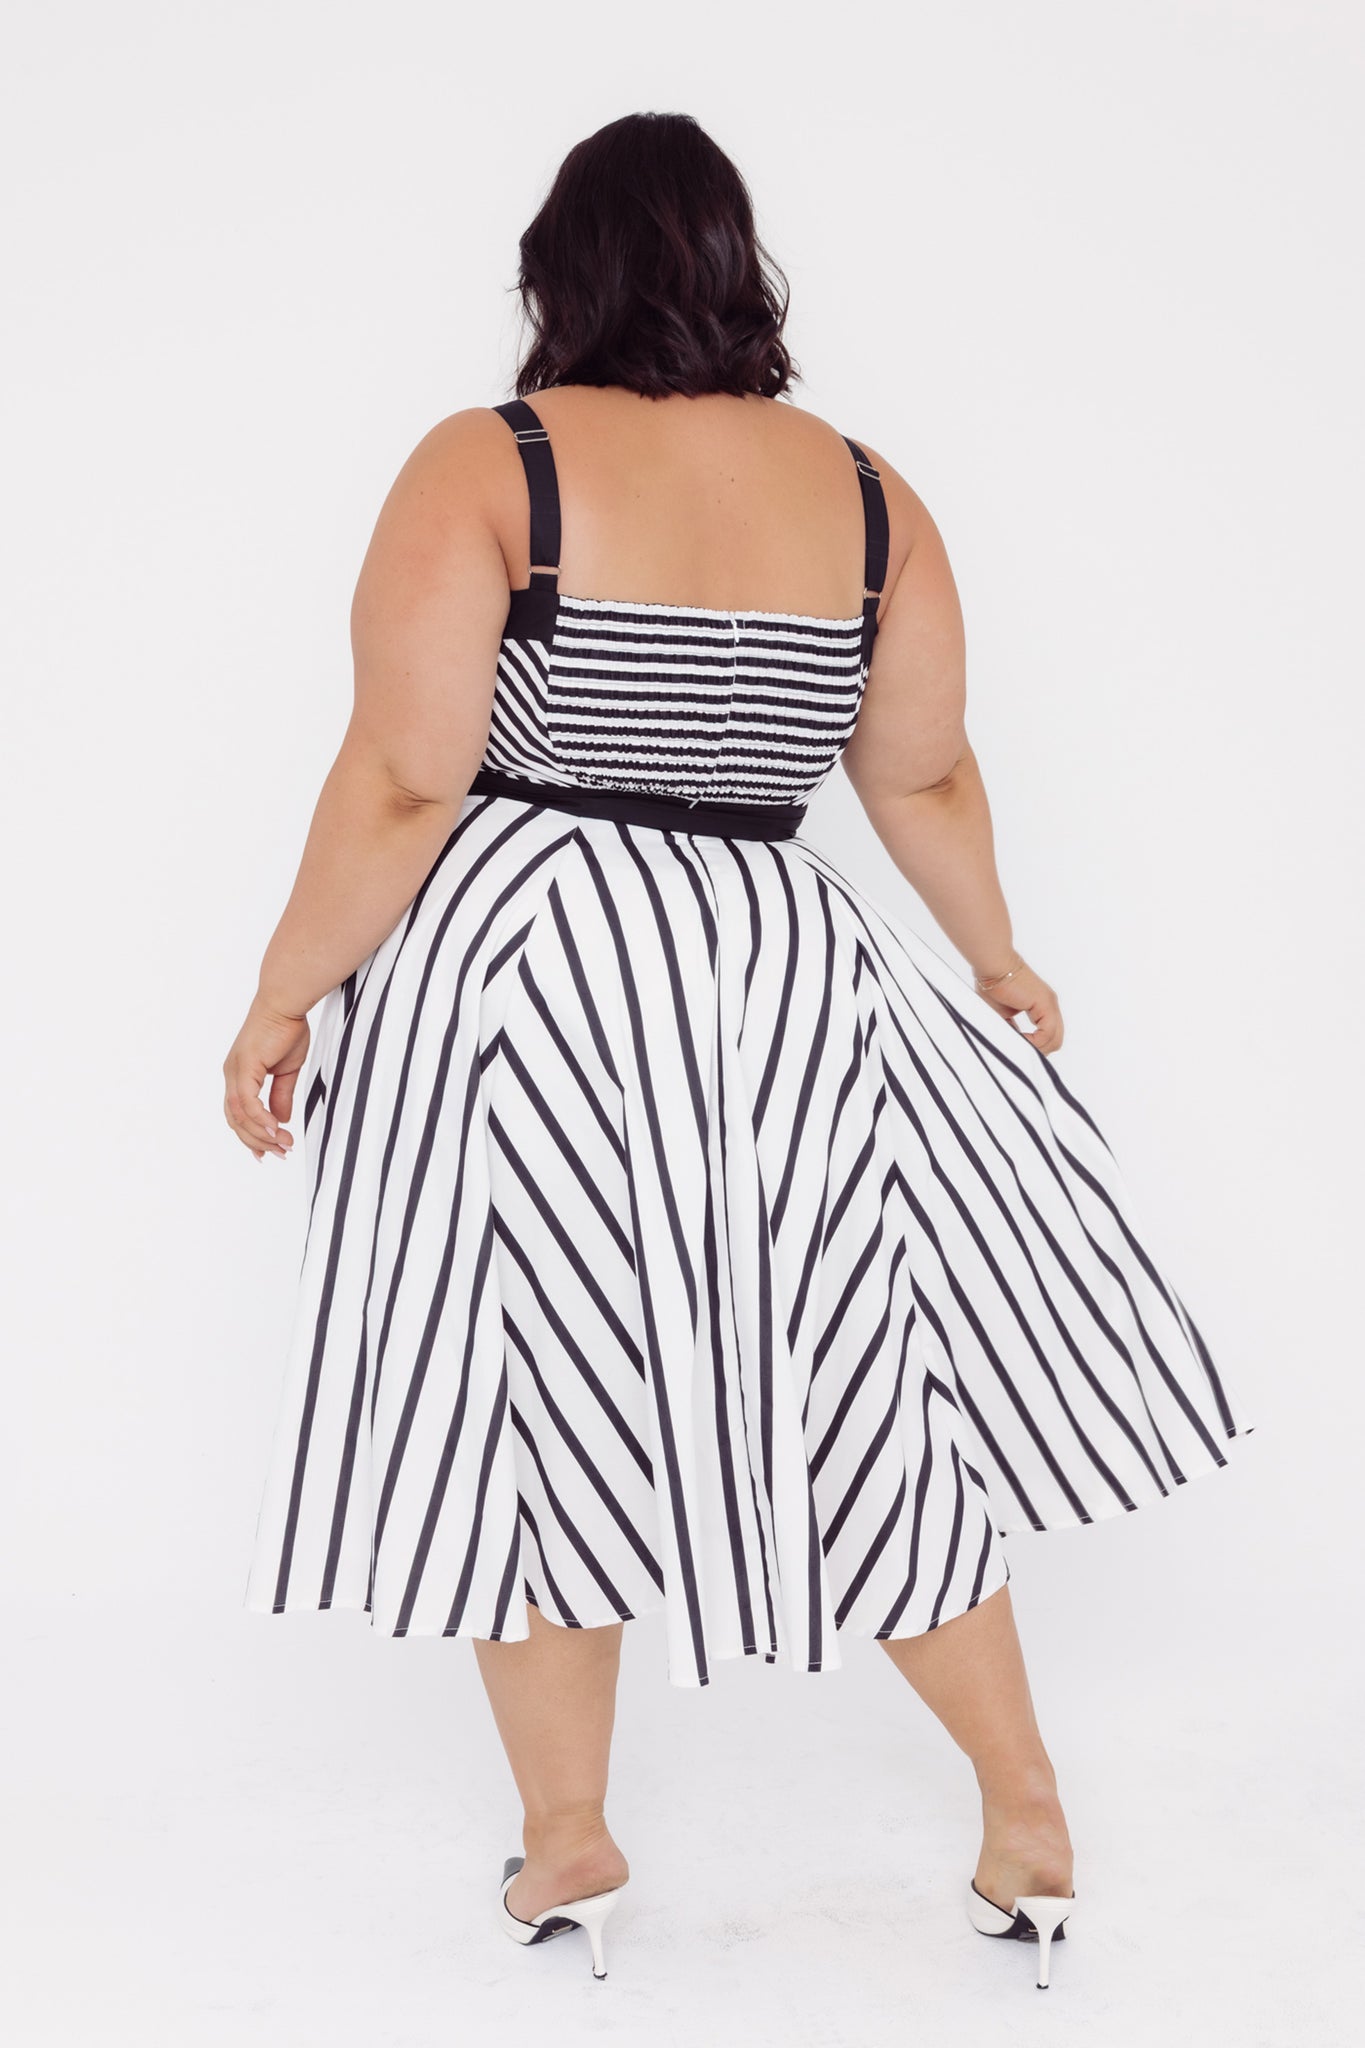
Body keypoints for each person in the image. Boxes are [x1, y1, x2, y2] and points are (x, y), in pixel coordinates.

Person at [223, 111, 1253, 1991]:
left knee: (525, 1388)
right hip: (781, 968)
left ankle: (569, 1846)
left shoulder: (495, 461)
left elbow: (400, 778)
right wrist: (996, 955)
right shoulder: (866, 491)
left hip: (523, 965)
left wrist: (285, 991)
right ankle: (1026, 1819)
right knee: (862, 1382)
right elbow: (918, 766)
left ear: (564, 270)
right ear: (731, 268)